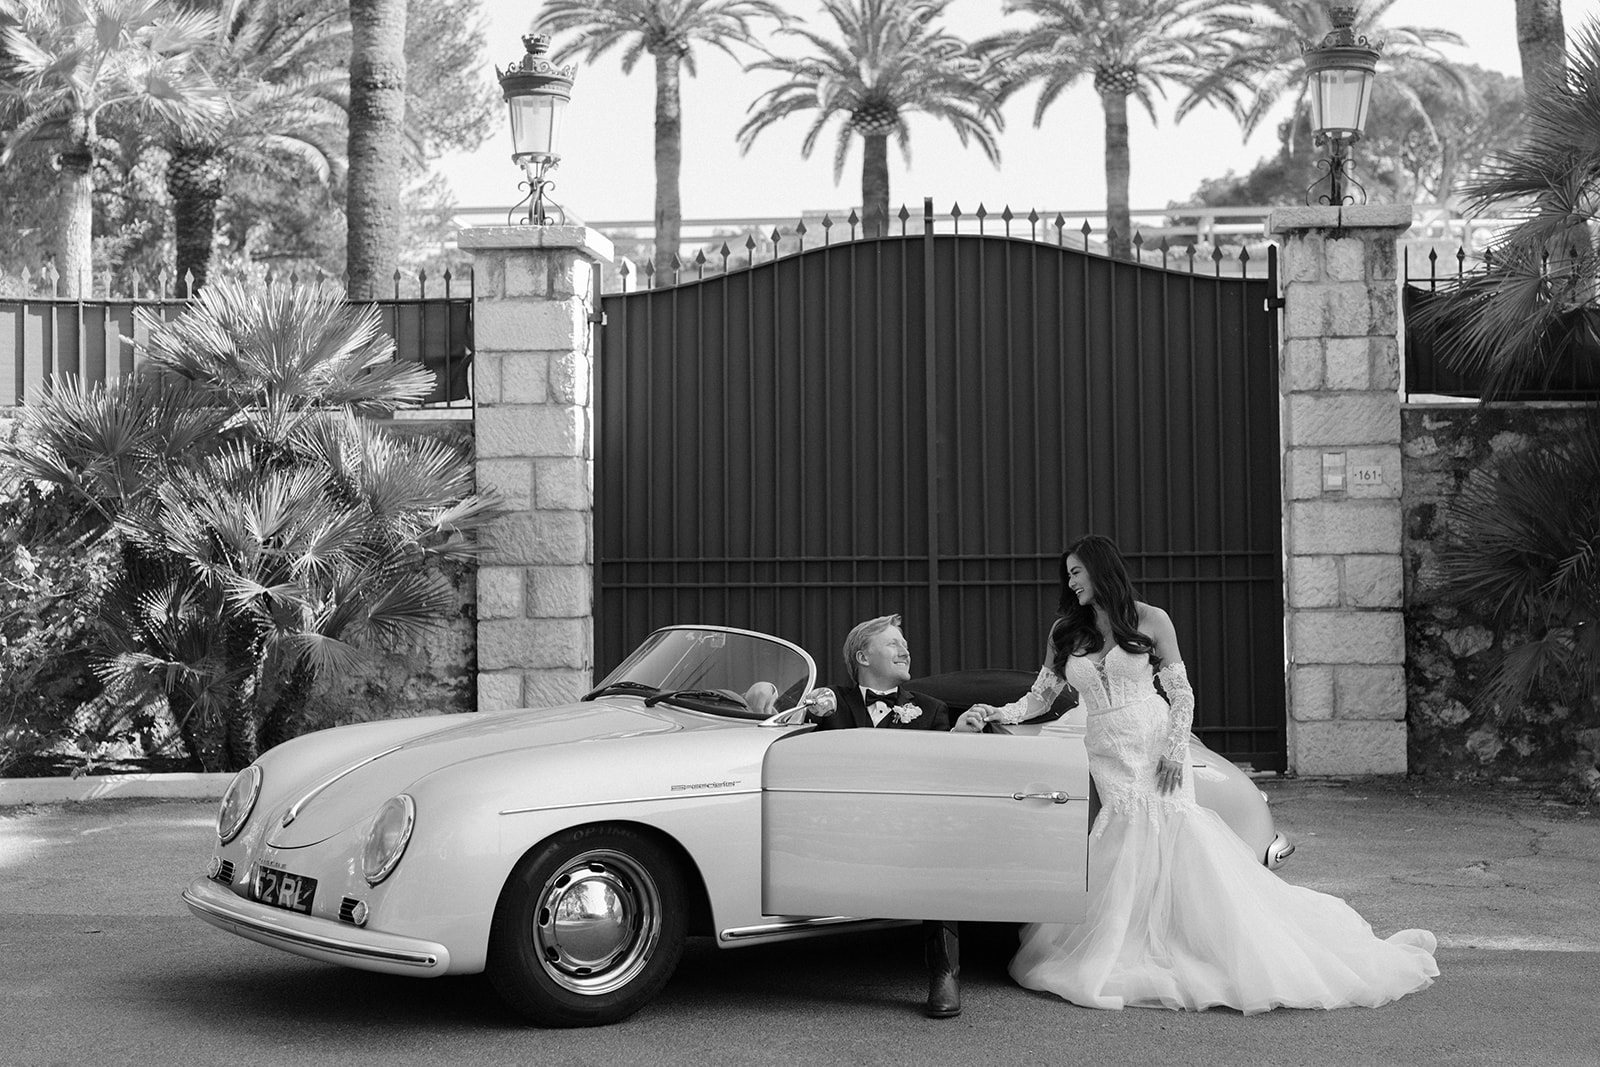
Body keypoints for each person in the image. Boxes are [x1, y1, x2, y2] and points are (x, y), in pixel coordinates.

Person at [957, 535, 1439, 1014]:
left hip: (1154, 745)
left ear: (1101, 570)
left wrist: (1173, 751)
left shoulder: (1151, 620)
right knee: (1123, 841)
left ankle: (1202, 946)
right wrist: (997, 711)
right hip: (1106, 753)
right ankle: (1133, 944)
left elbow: (1181, 693)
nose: (1070, 581)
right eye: (1068, 575)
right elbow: (1041, 697)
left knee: (1175, 838)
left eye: (1077, 572)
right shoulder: (1067, 631)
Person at [798, 613, 977, 1018]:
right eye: (893, 642)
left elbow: (940, 775)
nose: (905, 649)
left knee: (939, 851)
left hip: (905, 827)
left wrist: (959, 739)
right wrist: (767, 699)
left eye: (905, 642)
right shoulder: (830, 701)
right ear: (863, 656)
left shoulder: (930, 711)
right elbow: (787, 727)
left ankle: (945, 974)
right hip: (836, 824)